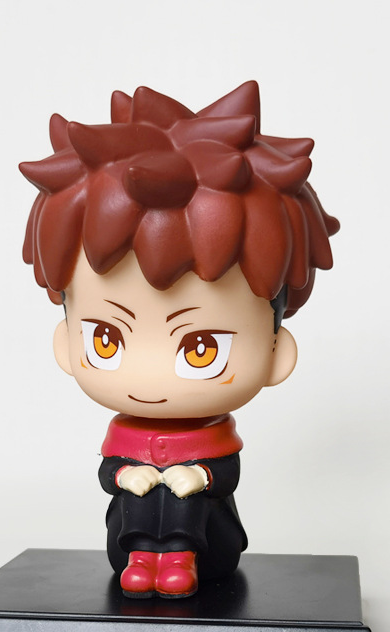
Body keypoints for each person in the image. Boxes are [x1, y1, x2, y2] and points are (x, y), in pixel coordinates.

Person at [19, 81, 338, 599]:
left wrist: (200, 479)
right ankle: (143, 560)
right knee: (140, 505)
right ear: (65, 342)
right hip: (128, 541)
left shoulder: (212, 435)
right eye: (106, 339)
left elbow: (224, 473)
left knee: (186, 505)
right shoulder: (125, 433)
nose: (149, 376)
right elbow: (109, 471)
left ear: (277, 353)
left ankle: (179, 561)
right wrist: (126, 478)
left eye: (200, 349)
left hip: (210, 545)